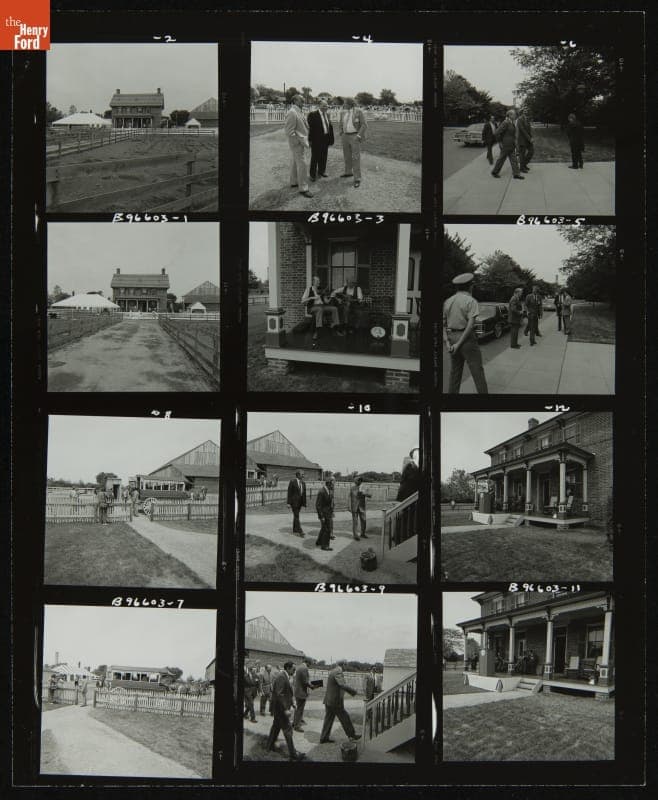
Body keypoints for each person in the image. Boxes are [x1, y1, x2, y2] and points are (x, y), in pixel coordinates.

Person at [443, 272, 488, 394]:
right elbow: (470, 324)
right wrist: (459, 344)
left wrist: (447, 342)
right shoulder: (471, 301)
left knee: (455, 372)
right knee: (477, 370)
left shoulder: (448, 301)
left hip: (452, 337)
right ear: (470, 286)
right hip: (467, 339)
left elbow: (443, 324)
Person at [266, 661, 306, 761]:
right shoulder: (281, 676)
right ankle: (293, 754)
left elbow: (287, 692)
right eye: (293, 669)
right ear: (288, 668)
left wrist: (292, 703)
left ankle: (269, 746)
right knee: (288, 730)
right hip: (280, 709)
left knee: (276, 727)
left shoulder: (285, 676)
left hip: (280, 709)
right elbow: (279, 694)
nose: (294, 671)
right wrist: (285, 709)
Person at [319, 660, 360, 744]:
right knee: (345, 718)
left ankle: (323, 738)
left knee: (328, 720)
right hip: (335, 702)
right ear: (344, 664)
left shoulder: (333, 671)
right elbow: (342, 685)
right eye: (346, 665)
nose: (346, 667)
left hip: (329, 701)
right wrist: (354, 692)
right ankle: (352, 736)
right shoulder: (338, 671)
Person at [284, 94, 313, 198]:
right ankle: (303, 188)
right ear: (295, 101)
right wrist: (297, 142)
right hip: (297, 143)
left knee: (295, 163)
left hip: (300, 142)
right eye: (301, 100)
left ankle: (294, 182)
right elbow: (289, 131)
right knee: (303, 165)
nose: (303, 101)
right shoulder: (292, 112)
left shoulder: (298, 110)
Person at [301, 276, 343, 346]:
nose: (319, 282)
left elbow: (326, 302)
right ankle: (317, 330)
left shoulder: (320, 290)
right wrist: (312, 297)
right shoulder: (308, 289)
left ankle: (334, 326)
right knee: (319, 309)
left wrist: (331, 297)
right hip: (312, 307)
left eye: (319, 281)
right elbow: (302, 301)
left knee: (334, 309)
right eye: (317, 281)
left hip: (322, 306)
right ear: (313, 282)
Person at [339, 98, 368, 188]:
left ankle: (357, 178)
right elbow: (340, 122)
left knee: (355, 157)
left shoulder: (358, 111)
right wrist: (341, 131)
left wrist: (359, 136)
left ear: (350, 104)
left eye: (345, 103)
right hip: (345, 136)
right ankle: (348, 172)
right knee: (346, 155)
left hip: (354, 136)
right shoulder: (343, 112)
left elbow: (364, 124)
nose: (344, 105)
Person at [491, 108, 524, 180]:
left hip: (511, 145)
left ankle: (516, 174)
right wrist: (500, 142)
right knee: (501, 159)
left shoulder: (511, 122)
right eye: (514, 114)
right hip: (505, 145)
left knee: (514, 159)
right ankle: (494, 172)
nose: (515, 116)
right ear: (510, 115)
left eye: (515, 114)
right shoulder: (505, 122)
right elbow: (497, 133)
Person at [307, 99, 334, 181]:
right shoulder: (313, 114)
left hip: (325, 138)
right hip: (316, 139)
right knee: (315, 157)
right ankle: (312, 175)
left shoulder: (327, 114)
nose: (326, 107)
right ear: (319, 106)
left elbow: (329, 127)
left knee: (324, 156)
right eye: (324, 105)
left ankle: (322, 171)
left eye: (326, 105)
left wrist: (330, 139)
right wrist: (310, 140)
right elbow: (310, 129)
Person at [315, 476, 335, 551]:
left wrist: (332, 511)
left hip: (328, 513)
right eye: (333, 484)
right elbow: (318, 505)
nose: (333, 485)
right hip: (324, 514)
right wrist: (321, 516)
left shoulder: (329, 490)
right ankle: (325, 546)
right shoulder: (322, 491)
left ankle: (319, 541)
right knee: (328, 529)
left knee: (324, 528)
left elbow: (330, 503)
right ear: (329, 484)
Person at [292, 660, 313, 732]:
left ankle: (294, 723)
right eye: (310, 663)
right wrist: (312, 686)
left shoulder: (299, 667)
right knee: (300, 710)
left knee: (298, 709)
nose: (310, 665)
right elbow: (305, 681)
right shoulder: (304, 668)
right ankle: (297, 726)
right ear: (308, 662)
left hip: (298, 691)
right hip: (301, 692)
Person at [349, 476, 371, 541]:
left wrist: (364, 493)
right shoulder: (352, 488)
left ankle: (363, 533)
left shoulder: (365, 487)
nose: (358, 481)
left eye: (360, 480)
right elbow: (349, 497)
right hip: (354, 507)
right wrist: (349, 506)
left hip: (362, 507)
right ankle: (355, 535)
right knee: (355, 522)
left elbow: (370, 495)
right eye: (357, 480)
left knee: (364, 521)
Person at [286, 470, 307, 536]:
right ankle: (300, 531)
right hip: (294, 503)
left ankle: (295, 529)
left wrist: (304, 503)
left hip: (300, 503)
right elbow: (289, 493)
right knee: (296, 516)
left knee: (296, 516)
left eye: (303, 474)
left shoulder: (303, 483)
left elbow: (304, 494)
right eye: (302, 474)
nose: (303, 475)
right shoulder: (292, 482)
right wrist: (288, 503)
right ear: (298, 475)